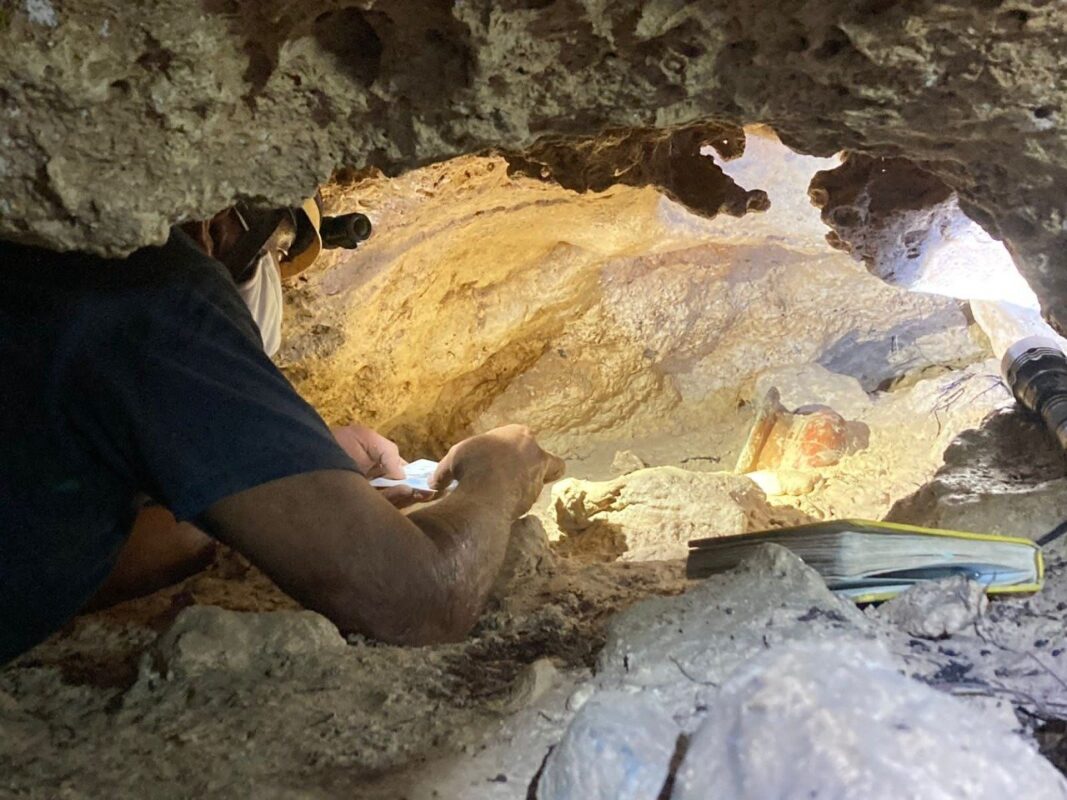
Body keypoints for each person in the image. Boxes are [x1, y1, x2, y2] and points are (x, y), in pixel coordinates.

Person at [0, 215, 565, 665]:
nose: (274, 269)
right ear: (219, 226)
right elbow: (420, 602)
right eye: (276, 249)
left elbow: (47, 546)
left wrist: (287, 485)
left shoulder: (42, 272)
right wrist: (498, 476)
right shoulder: (147, 285)